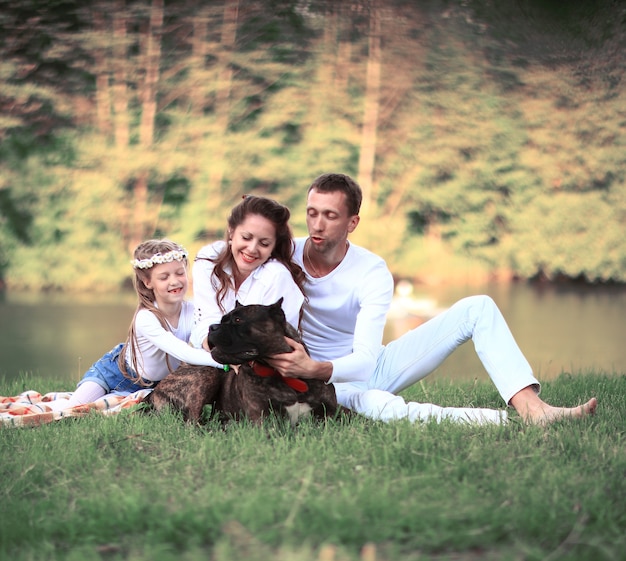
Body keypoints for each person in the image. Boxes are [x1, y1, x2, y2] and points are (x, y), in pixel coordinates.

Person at [267, 173, 598, 425]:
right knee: (383, 408)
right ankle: (495, 421)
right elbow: (226, 253)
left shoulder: (371, 270)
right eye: (312, 213)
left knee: (477, 306)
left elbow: (367, 360)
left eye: (330, 215)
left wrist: (317, 366)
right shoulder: (284, 256)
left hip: (364, 366)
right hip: (318, 382)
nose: (317, 224)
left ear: (353, 222)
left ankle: (530, 408)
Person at [48, 239, 224, 412]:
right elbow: (181, 351)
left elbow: (207, 337)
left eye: (180, 273)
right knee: (71, 409)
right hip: (118, 373)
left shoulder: (194, 310)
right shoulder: (146, 318)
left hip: (155, 384)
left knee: (119, 411)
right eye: (164, 277)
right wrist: (224, 362)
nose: (175, 281)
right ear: (148, 282)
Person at [190, 194, 305, 351]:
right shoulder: (208, 260)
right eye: (246, 237)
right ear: (231, 231)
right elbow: (206, 318)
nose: (252, 249)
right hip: (212, 352)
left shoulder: (277, 277)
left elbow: (276, 342)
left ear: (274, 246)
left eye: (264, 243)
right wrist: (216, 350)